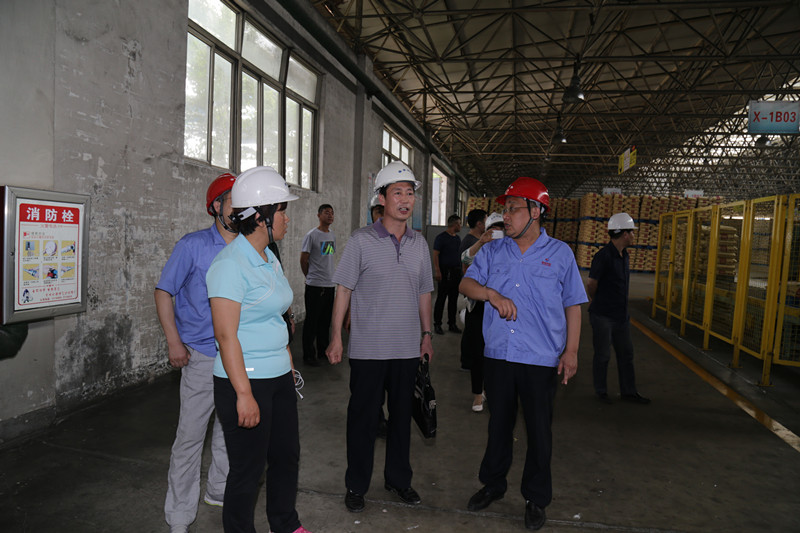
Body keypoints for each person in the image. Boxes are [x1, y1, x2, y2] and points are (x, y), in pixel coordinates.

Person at [459, 177, 587, 531]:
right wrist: (491, 294)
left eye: (513, 209)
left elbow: (573, 304)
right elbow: (465, 283)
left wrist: (571, 351)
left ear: (536, 211)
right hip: (499, 355)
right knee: (498, 425)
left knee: (539, 431)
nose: (506, 216)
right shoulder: (493, 251)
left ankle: (536, 498)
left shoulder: (560, 254)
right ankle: (493, 485)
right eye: (505, 209)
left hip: (540, 359)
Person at [206, 166, 311, 533]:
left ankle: (285, 523)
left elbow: (276, 320)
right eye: (282, 211)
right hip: (245, 381)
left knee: (286, 457)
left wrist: (288, 365)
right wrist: (244, 394)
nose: (286, 219)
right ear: (262, 216)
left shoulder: (269, 258)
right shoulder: (229, 265)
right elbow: (226, 336)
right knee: (247, 470)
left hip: (278, 376)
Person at [326, 160, 434, 513]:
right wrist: (336, 337)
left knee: (402, 420)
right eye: (397, 192)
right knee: (363, 420)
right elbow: (343, 289)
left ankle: (398, 480)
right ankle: (356, 485)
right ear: (382, 199)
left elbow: (424, 292)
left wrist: (427, 335)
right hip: (368, 350)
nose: (405, 199)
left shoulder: (419, 244)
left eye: (410, 193)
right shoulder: (361, 241)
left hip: (406, 349)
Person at [156, 172, 236, 533]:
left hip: (237, 356)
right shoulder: (193, 246)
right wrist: (174, 341)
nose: (241, 209)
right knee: (190, 437)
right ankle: (179, 515)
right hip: (202, 356)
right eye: (233, 201)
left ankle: (218, 490)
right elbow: (163, 291)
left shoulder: (250, 247)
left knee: (229, 430)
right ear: (216, 206)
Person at [587, 212, 650, 405]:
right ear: (624, 234)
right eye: (632, 232)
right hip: (603, 315)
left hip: (621, 316)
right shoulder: (603, 256)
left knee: (626, 354)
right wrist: (597, 301)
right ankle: (601, 392)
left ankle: (628, 392)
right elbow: (591, 284)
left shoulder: (625, 256)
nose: (633, 236)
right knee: (603, 355)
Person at [459, 211, 504, 412]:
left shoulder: (512, 251)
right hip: (478, 308)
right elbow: (465, 258)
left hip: (501, 310)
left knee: (497, 354)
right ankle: (478, 394)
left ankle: (491, 390)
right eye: (493, 229)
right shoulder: (482, 250)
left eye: (501, 229)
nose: (497, 232)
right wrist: (481, 242)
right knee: (478, 353)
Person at [300, 204, 336, 367]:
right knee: (312, 322)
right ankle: (308, 355)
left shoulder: (332, 235)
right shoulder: (311, 235)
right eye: (326, 213)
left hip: (329, 285)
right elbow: (304, 259)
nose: (330, 215)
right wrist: (310, 277)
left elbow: (326, 258)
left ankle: (323, 351)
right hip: (315, 286)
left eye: (332, 213)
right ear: (319, 215)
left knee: (325, 322)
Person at [433, 214, 463, 334]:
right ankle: (437, 324)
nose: (460, 226)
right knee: (441, 298)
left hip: (456, 272)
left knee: (453, 299)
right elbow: (436, 255)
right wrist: (437, 270)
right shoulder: (441, 238)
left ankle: (452, 324)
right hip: (445, 272)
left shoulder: (457, 239)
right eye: (459, 223)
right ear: (454, 224)